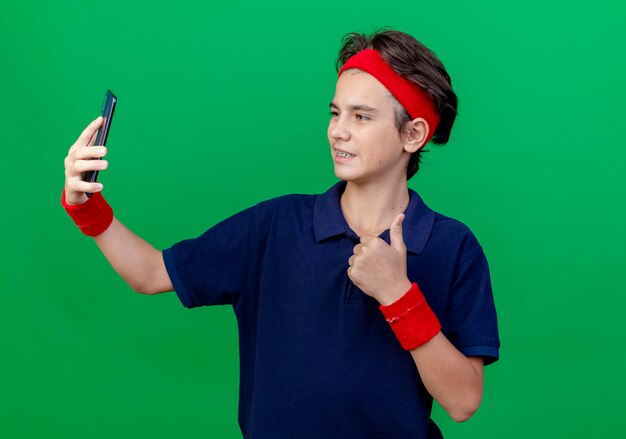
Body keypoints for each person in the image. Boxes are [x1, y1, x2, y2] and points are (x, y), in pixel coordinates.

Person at [62, 29, 500, 438]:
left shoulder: (453, 247)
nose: (338, 131)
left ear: (414, 134)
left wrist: (399, 296)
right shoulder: (274, 228)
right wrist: (87, 208)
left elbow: (463, 400)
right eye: (335, 112)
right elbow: (148, 272)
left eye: (361, 116)